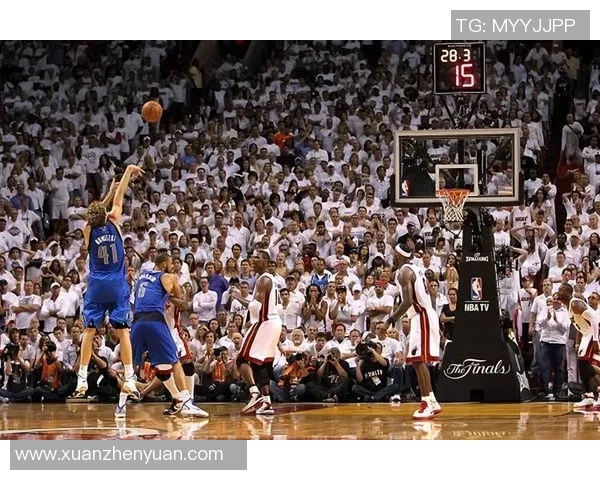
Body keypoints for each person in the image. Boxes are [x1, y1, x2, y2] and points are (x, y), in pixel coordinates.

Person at [73, 165, 144, 411]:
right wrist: (127, 173)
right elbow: (120, 194)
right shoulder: (114, 219)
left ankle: (82, 378)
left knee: (89, 331)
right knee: (123, 332)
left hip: (96, 285)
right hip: (116, 284)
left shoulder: (88, 229)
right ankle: (130, 377)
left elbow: (94, 214)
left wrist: (106, 195)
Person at [131, 252, 208, 418]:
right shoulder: (167, 279)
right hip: (157, 325)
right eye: (172, 263)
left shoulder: (143, 277)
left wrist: (170, 297)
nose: (173, 266)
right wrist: (170, 293)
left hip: (165, 327)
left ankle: (184, 399)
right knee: (166, 366)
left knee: (185, 364)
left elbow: (184, 305)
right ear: (165, 264)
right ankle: (182, 400)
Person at [390, 244, 442, 420]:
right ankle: (432, 400)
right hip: (423, 315)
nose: (393, 256)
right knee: (417, 360)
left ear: (399, 255)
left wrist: (391, 320)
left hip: (422, 316)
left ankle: (426, 403)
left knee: (419, 361)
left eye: (395, 254)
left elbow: (407, 302)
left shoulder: (404, 272)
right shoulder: (416, 269)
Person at [230, 250, 282, 415]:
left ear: (265, 262)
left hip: (265, 322)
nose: (253, 260)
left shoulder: (263, 279)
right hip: (273, 323)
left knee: (242, 359)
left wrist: (238, 297)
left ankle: (254, 393)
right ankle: (267, 402)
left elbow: (255, 307)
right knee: (261, 364)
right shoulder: (270, 279)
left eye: (257, 258)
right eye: (252, 257)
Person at [557, 283, 600, 409]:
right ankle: (589, 396)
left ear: (568, 292)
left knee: (588, 364)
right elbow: (580, 327)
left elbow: (595, 320)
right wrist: (579, 341)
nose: (558, 292)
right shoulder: (568, 306)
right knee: (583, 365)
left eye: (561, 290)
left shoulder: (575, 304)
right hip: (587, 334)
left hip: (594, 333)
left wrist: (595, 340)